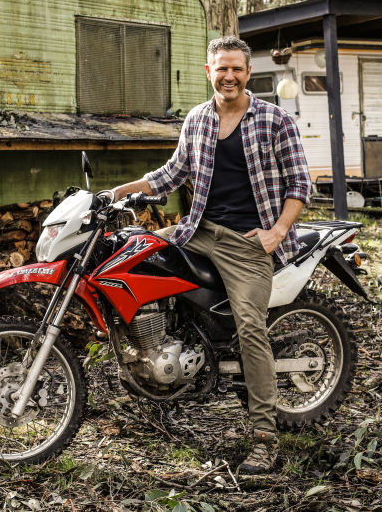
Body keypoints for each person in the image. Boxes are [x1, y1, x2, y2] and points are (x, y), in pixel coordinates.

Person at [107, 36, 312, 474]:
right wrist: (118, 192)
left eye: (237, 68)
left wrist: (277, 232)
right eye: (222, 68)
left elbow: (300, 185)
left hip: (246, 243)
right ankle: (159, 358)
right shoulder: (198, 119)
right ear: (208, 72)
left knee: (251, 328)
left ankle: (264, 437)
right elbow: (171, 174)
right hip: (196, 230)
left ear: (248, 73)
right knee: (129, 257)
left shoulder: (274, 120)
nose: (229, 76)